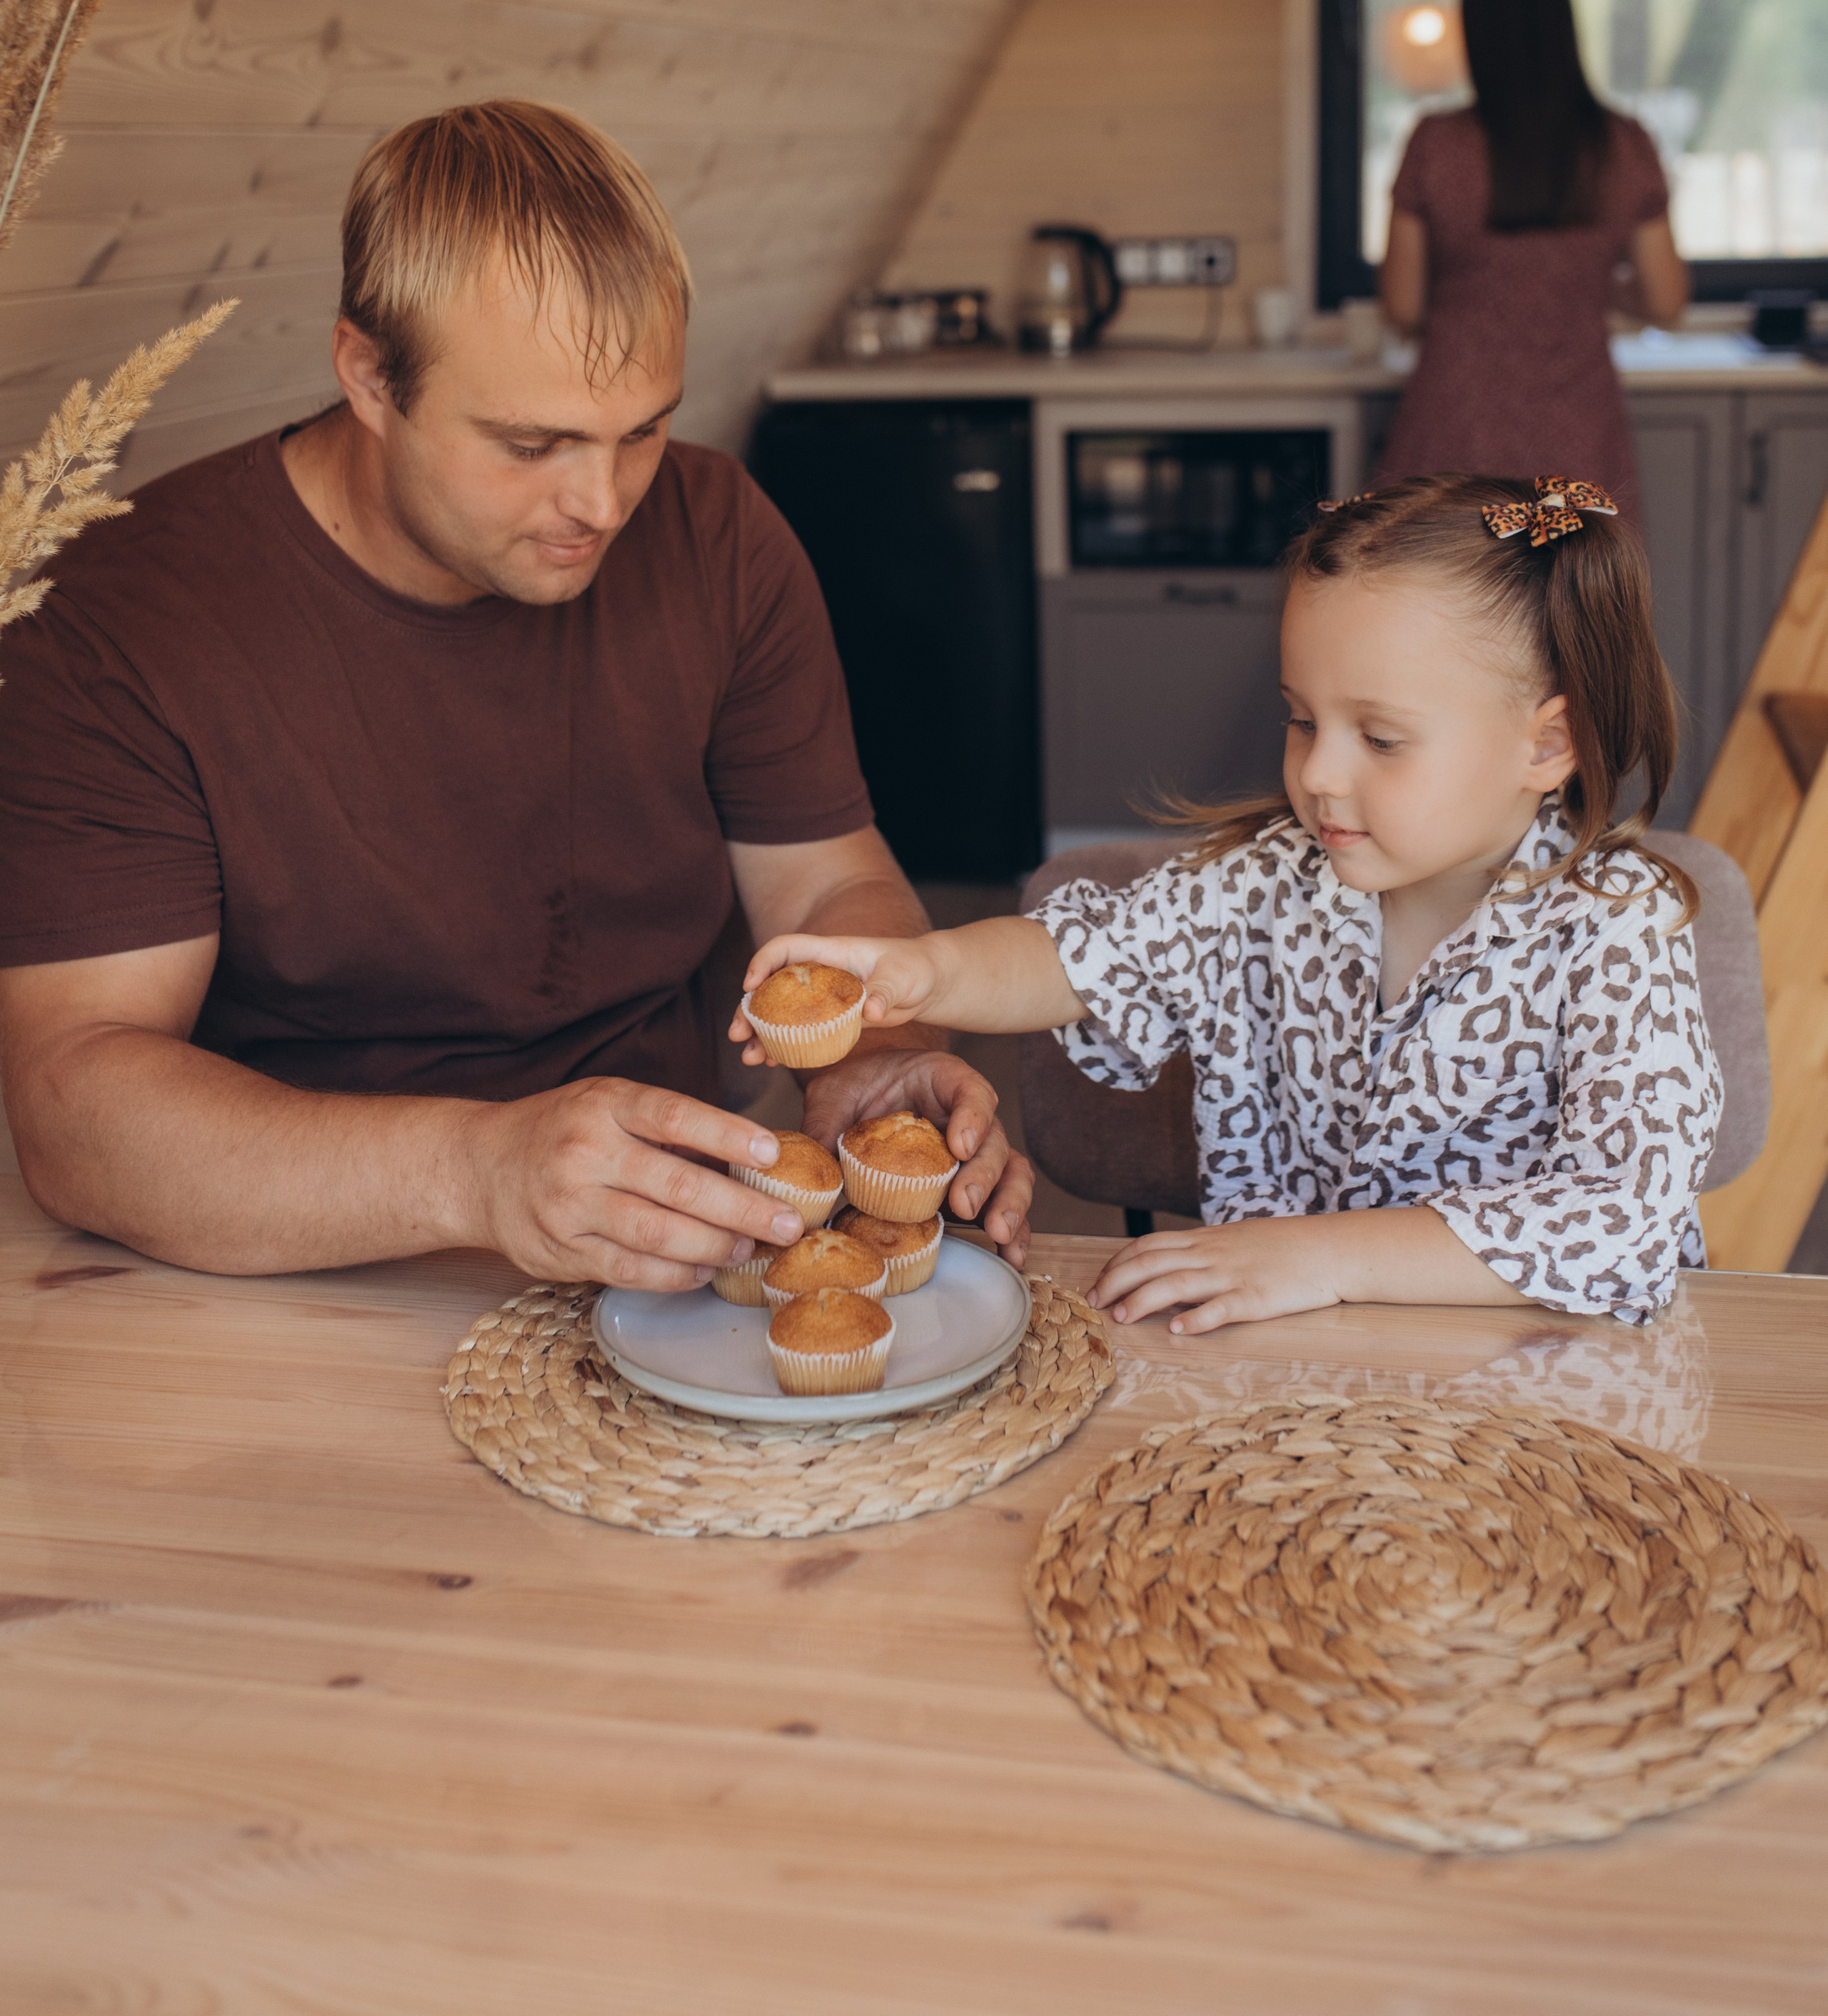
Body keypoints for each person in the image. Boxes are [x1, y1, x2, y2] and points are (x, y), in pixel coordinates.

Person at [0, 101, 1032, 1284]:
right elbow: (77, 1113)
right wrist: (480, 1172)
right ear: (369, 377)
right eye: (534, 445)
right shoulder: (120, 619)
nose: (603, 502)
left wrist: (866, 1057)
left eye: (641, 431)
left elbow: (831, 877)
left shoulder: (719, 535)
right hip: (286, 1275)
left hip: (661, 1261)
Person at [733, 472, 1722, 1332]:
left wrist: (1321, 1258)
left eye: (1379, 739)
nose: (1319, 775)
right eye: (1301, 720)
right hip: (1299, 1372)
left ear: (1546, 746)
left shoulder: (1616, 929)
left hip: (1543, 1380)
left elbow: (1623, 1217)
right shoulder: (1267, 881)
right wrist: (927, 970)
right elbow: (1075, 957)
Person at [1375, 0, 1690, 522]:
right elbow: (1667, 302)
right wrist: (1594, 282)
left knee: (1445, 601)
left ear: (1475, 30)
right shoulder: (1622, 144)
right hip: (1578, 430)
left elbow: (1401, 305)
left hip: (1455, 422)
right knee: (1573, 603)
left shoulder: (1436, 145)